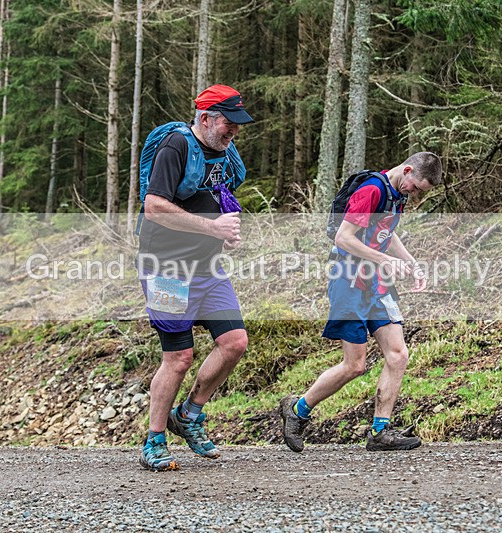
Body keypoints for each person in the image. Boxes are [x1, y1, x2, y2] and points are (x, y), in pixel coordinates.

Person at [279, 152, 442, 452]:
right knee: (354, 365)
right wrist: (385, 260)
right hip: (348, 281)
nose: (415, 195)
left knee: (398, 354)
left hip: (376, 283)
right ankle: (297, 410)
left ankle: (380, 432)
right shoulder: (372, 190)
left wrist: (411, 263)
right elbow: (343, 237)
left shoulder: (396, 195)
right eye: (416, 188)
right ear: (407, 171)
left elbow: (387, 233)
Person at [137, 85, 254, 471]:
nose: (233, 132)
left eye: (237, 125)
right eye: (228, 123)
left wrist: (227, 230)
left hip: (207, 267)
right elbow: (154, 207)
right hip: (166, 268)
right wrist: (212, 228)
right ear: (205, 118)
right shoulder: (176, 146)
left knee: (235, 342)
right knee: (178, 357)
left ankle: (188, 415)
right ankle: (154, 439)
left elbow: (219, 196)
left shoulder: (224, 151)